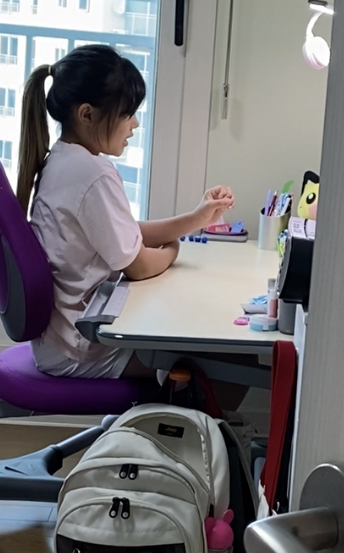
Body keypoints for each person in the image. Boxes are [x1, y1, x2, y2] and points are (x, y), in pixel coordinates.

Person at [16, 44, 234, 380]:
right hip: (81, 349)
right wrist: (173, 250)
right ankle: (180, 413)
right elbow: (139, 266)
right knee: (226, 365)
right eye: (127, 113)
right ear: (87, 114)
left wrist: (197, 218)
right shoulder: (91, 174)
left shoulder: (63, 160)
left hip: (60, 341)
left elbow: (124, 232)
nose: (134, 123)